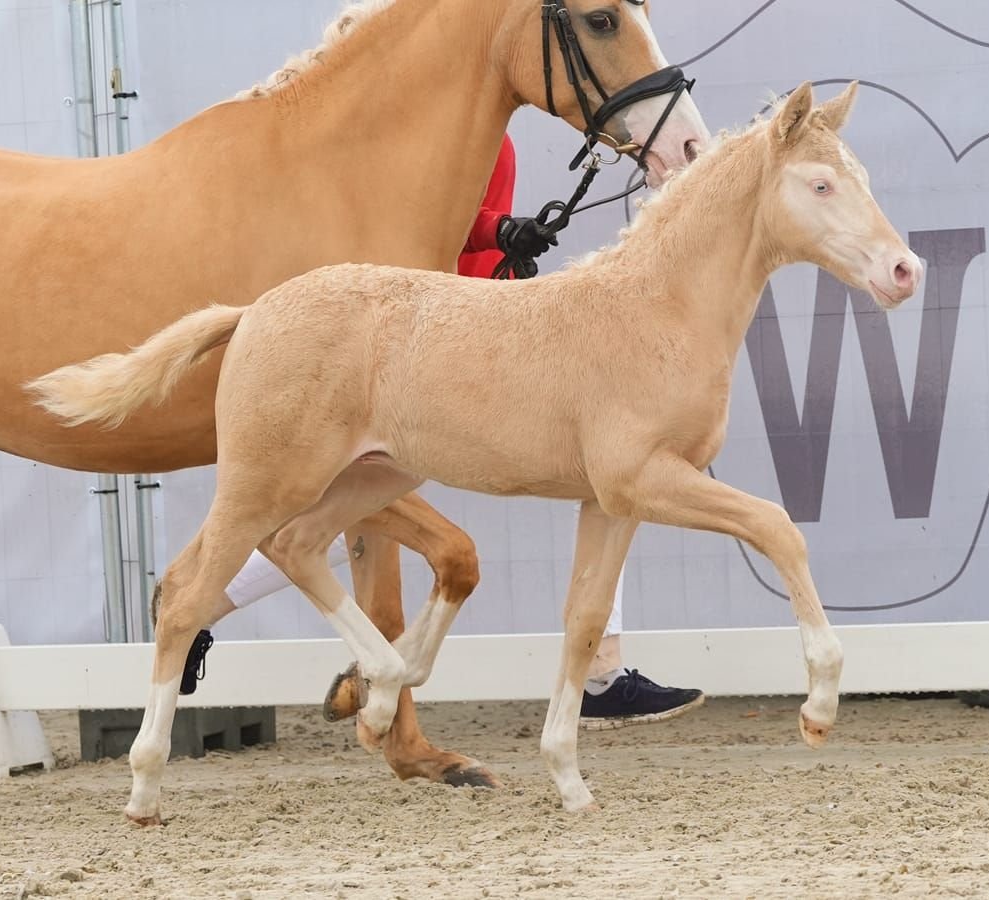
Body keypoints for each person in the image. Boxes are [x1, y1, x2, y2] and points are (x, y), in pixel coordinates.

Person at [182, 134, 705, 729]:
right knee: (315, 504)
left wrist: (507, 246)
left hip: (481, 315)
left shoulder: (496, 135)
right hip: (435, 342)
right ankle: (599, 674)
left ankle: (602, 670)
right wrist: (497, 234)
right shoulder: (425, 127)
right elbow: (422, 216)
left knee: (605, 473)